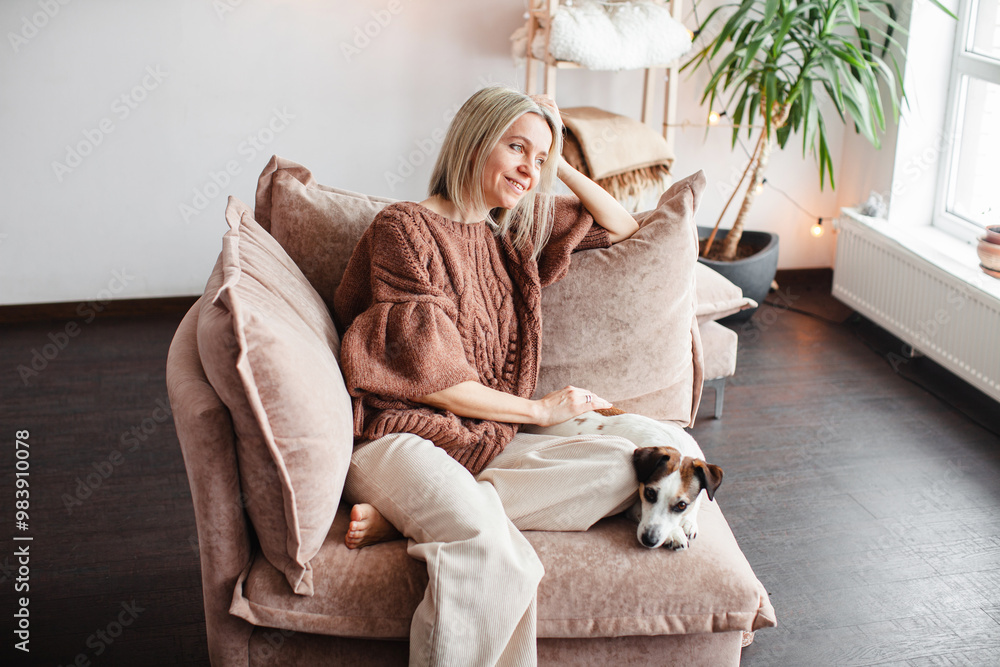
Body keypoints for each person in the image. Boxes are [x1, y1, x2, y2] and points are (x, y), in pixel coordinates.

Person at [332, 86, 641, 666]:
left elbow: (623, 224)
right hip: (399, 437)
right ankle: (426, 508)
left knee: (625, 466)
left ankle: (406, 519)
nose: (530, 169)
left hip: (480, 444)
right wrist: (541, 412)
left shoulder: (514, 233)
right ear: (475, 142)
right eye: (517, 148)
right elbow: (431, 379)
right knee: (500, 557)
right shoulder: (403, 228)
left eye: (540, 158)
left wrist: (560, 160)